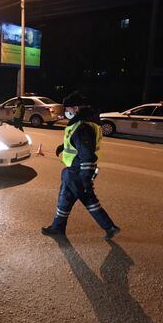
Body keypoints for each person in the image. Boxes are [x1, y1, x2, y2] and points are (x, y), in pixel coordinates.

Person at [41, 91, 120, 241]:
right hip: (74, 170)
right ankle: (59, 227)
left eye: (68, 109)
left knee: (85, 199)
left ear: (76, 108)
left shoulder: (82, 127)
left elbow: (87, 153)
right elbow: (77, 143)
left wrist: (85, 178)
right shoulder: (85, 123)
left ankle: (109, 227)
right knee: (67, 199)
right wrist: (63, 146)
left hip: (77, 171)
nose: (66, 112)